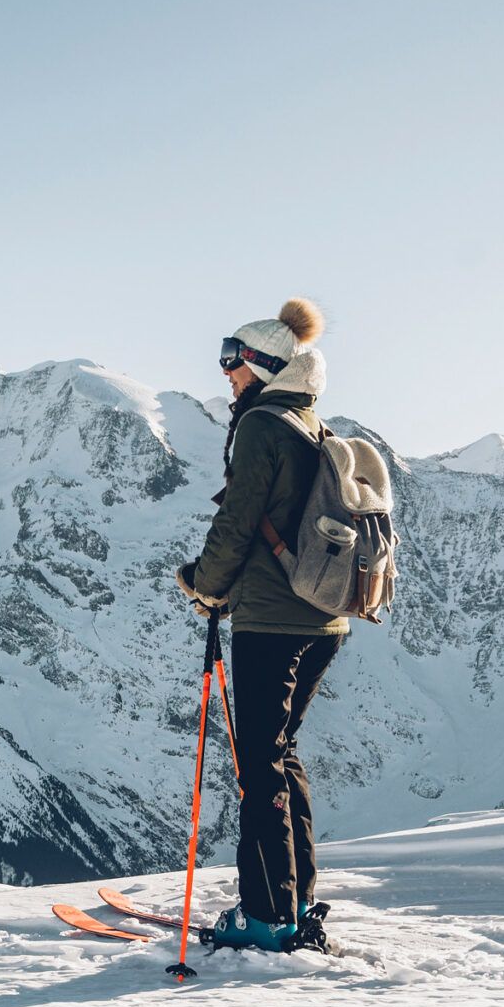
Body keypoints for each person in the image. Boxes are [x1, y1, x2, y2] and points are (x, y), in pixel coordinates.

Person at [173, 298, 345, 953]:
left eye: (233, 360)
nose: (226, 373)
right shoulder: (309, 424)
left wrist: (205, 583)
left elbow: (239, 520)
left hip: (272, 619)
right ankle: (293, 900)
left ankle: (268, 915)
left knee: (259, 763)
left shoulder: (260, 426)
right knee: (281, 752)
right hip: (323, 618)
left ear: (265, 365)